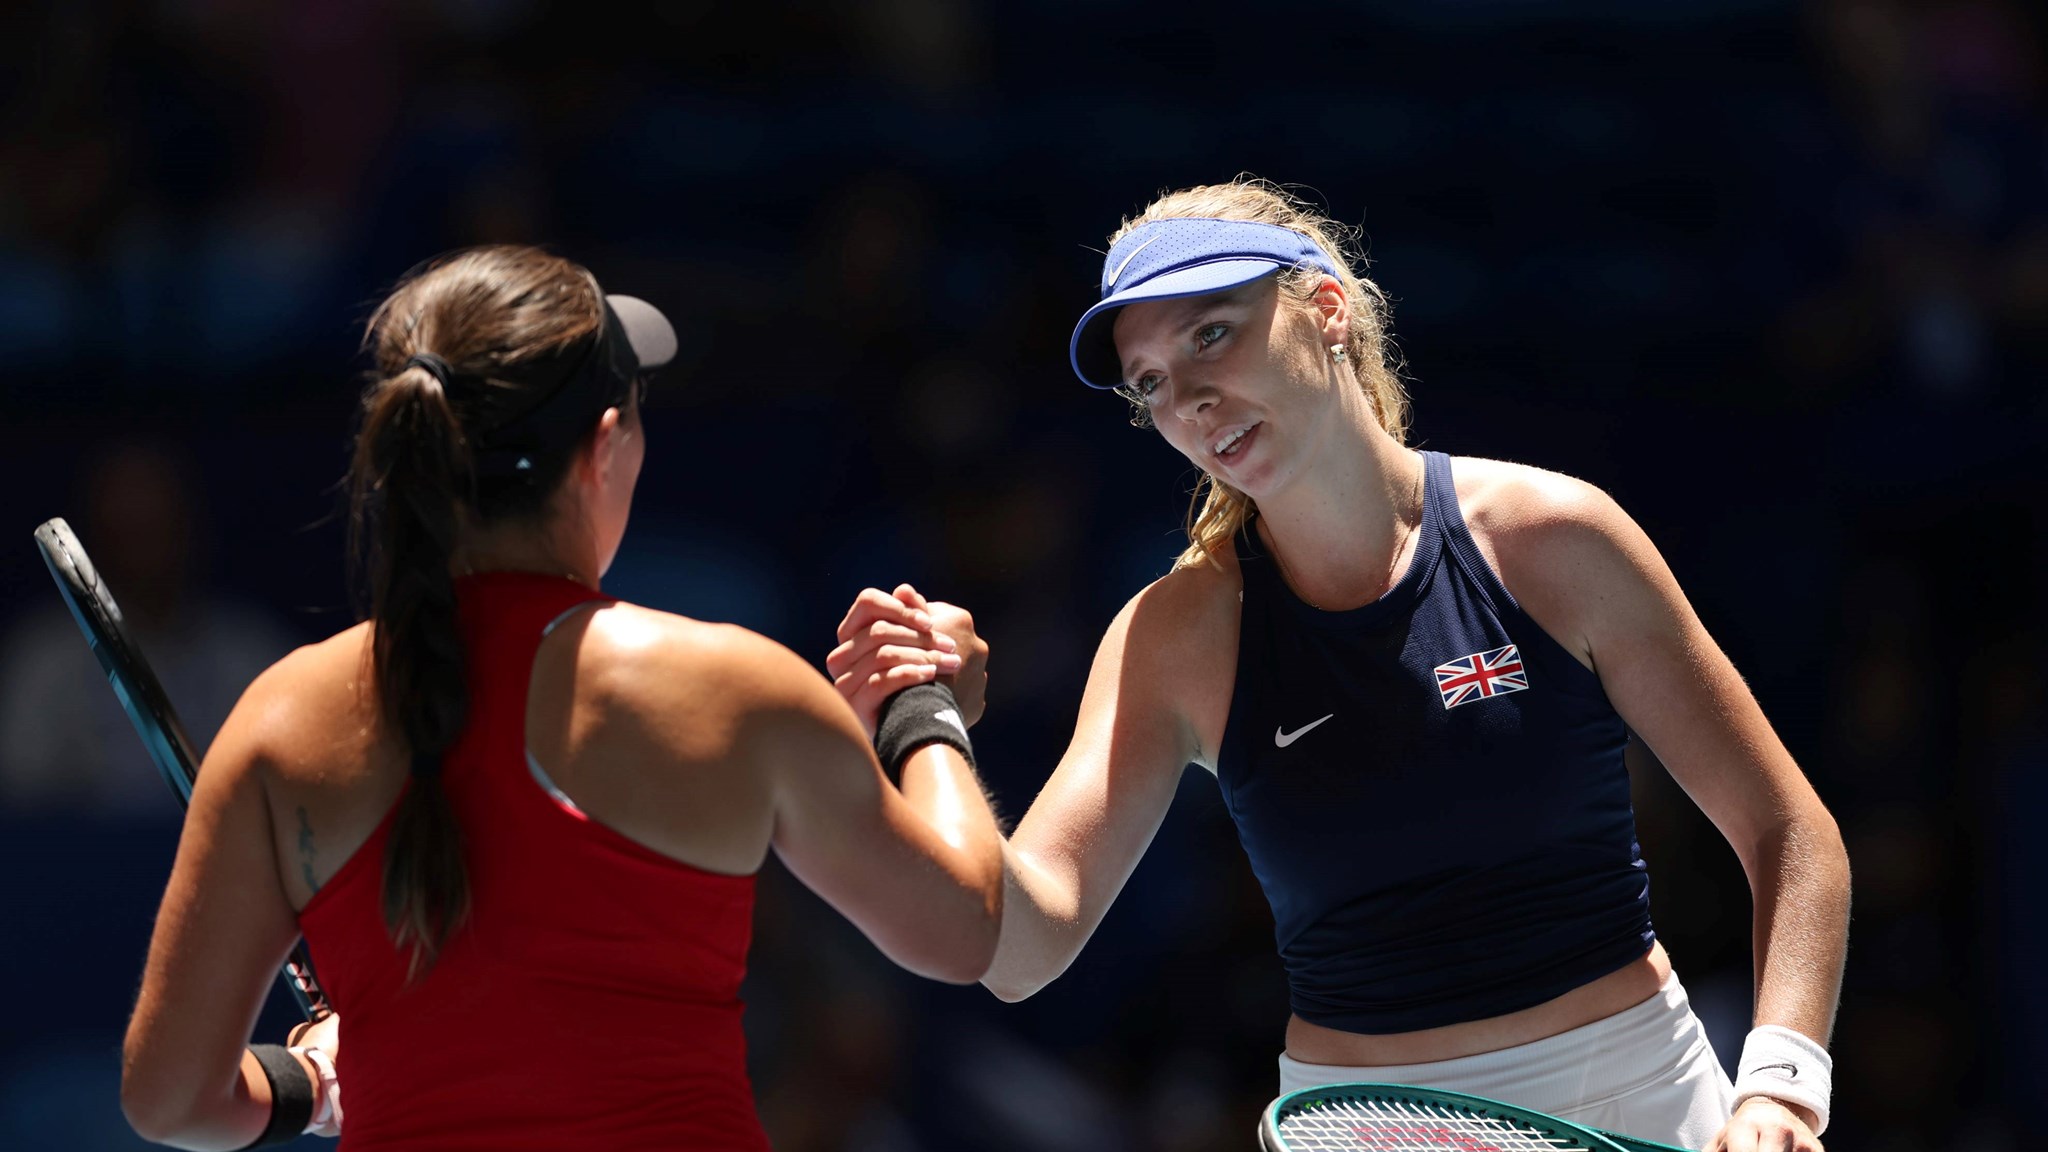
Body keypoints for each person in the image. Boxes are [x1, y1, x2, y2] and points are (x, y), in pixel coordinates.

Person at [828, 180, 1851, 1151]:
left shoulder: (1554, 540)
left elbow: (1786, 830)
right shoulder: (1176, 636)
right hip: (1358, 1124)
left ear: (1322, 307)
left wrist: (1778, 1081)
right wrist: (927, 722)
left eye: (1210, 337)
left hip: (1638, 1097)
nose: (1188, 400)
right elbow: (1019, 948)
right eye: (1151, 385)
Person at [119, 245, 1004, 1151]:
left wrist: (311, 1078)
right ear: (606, 446)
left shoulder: (282, 715)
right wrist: (920, 703)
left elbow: (172, 1100)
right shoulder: (739, 692)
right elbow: (965, 931)